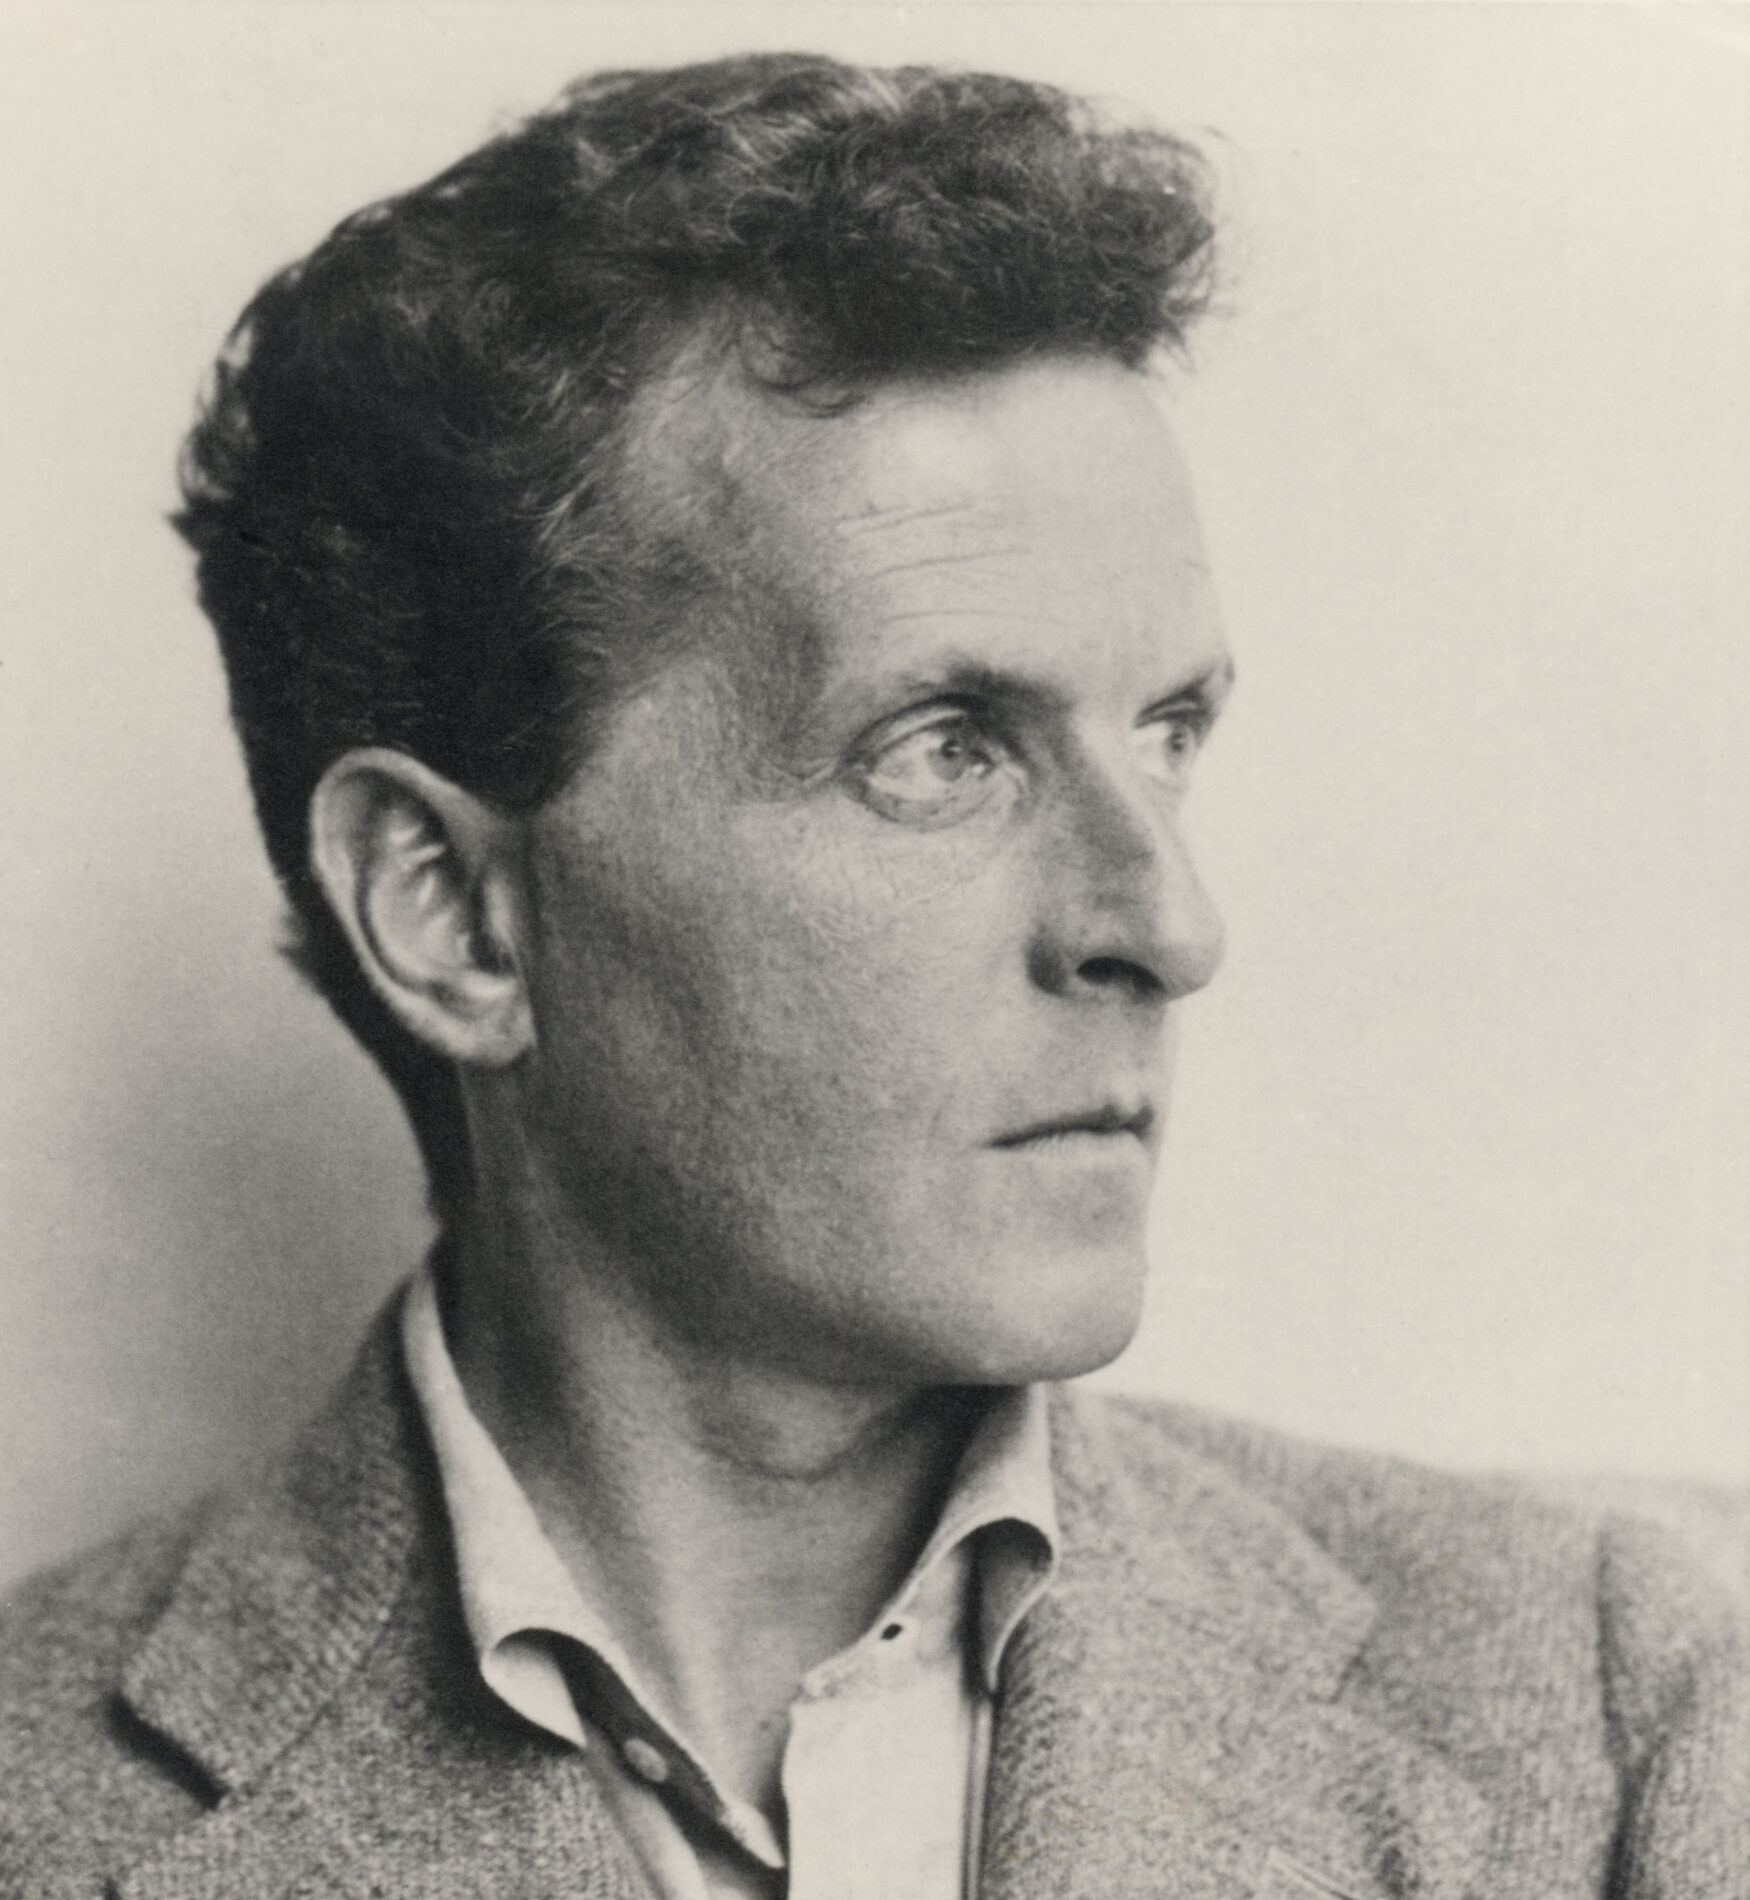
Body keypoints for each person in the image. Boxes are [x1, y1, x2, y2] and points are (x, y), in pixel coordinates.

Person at [0, 52, 1741, 1900]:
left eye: (1164, 733)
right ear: (451, 912)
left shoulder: (1616, 1703)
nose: (1167, 925)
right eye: (942, 749)